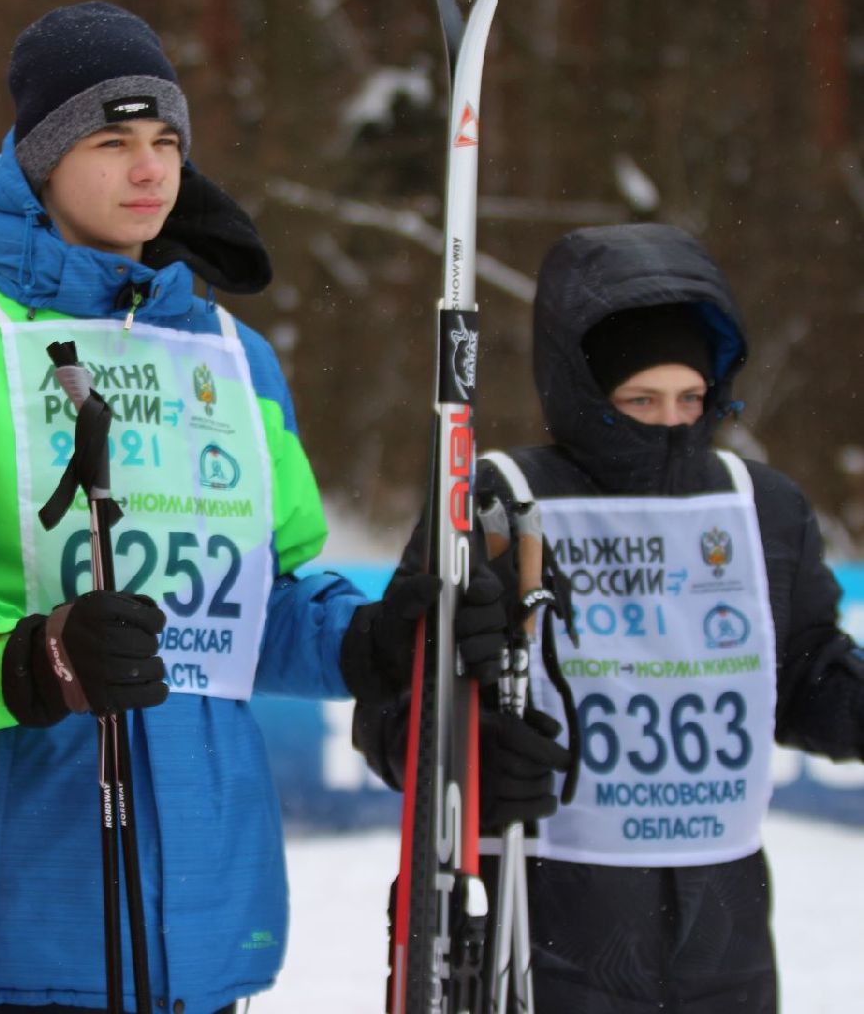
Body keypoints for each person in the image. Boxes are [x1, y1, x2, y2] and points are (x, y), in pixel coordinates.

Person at [0, 2, 504, 1014]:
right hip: (22, 925)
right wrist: (36, 657)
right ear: (40, 162)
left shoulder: (233, 359)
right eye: (111, 143)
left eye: (165, 142)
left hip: (207, 920)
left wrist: (371, 639)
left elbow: (256, 608)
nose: (150, 170)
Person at [353, 222, 864, 1012]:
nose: (669, 422)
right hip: (546, 927)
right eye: (640, 399)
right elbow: (392, 709)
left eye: (689, 397)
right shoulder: (494, 500)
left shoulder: (758, 504)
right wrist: (469, 755)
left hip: (719, 941)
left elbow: (802, 674)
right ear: (582, 391)